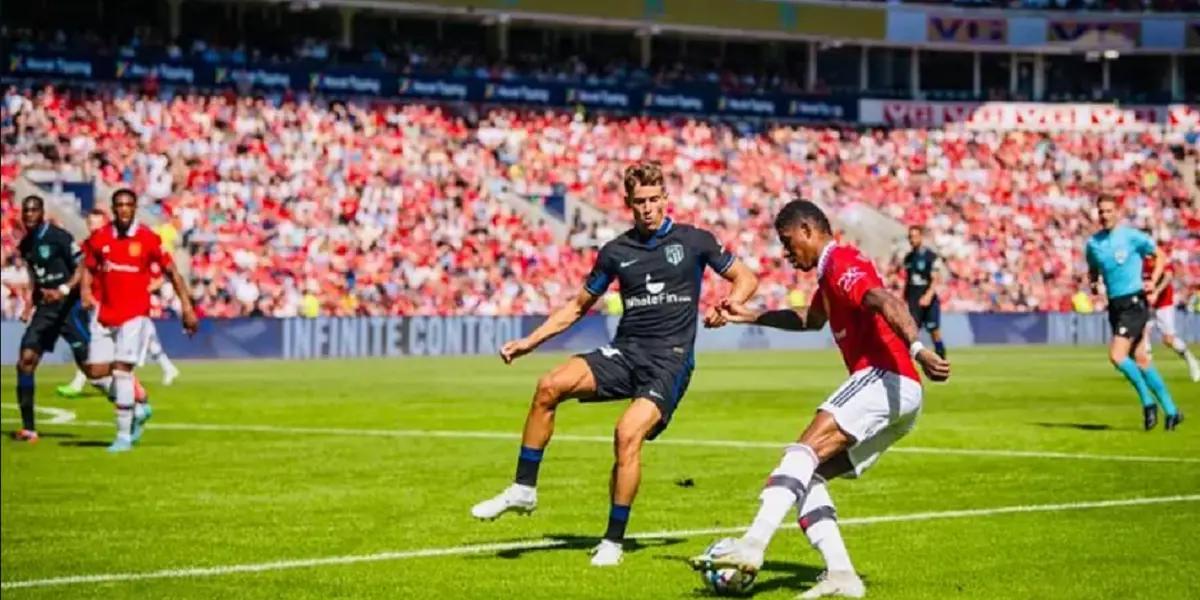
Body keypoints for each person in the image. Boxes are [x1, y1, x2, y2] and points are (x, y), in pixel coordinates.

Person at [469, 162, 758, 567]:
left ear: (665, 198)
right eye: (640, 201)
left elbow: (746, 277)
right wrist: (529, 342)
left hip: (669, 361)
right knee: (549, 385)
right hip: (625, 352)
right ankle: (523, 489)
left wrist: (730, 305)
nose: (648, 208)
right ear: (628, 203)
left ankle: (613, 542)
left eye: (654, 199)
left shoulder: (695, 240)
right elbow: (577, 307)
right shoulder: (615, 252)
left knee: (626, 434)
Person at [690, 199, 950, 598]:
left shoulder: (842, 263)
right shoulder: (829, 277)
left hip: (886, 375)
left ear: (808, 231)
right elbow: (810, 321)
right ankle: (842, 575)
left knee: (801, 452)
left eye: (788, 242)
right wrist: (749, 315)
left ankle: (752, 544)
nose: (787, 252)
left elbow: (885, 300)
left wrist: (918, 349)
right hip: (900, 397)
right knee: (807, 476)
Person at [80, 189, 198, 452]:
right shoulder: (101, 237)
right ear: (113, 208)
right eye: (119, 205)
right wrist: (86, 291)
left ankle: (123, 436)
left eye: (128, 204)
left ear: (135, 208)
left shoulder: (147, 238)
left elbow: (172, 272)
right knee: (96, 374)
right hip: (105, 313)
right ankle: (137, 406)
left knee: (122, 371)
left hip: (134, 314)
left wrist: (187, 307)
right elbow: (88, 266)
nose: (124, 209)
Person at [57, 210, 182, 396]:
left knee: (119, 351)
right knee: (100, 353)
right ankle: (133, 389)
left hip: (120, 305)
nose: (93, 227)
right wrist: (82, 291)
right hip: (98, 305)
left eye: (97, 223)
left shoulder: (122, 243)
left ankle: (133, 391)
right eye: (90, 223)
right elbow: (83, 269)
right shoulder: (87, 246)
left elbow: (160, 272)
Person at [1085, 197, 1180, 431]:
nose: (1105, 215)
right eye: (1101, 211)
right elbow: (1093, 269)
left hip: (1134, 303)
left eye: (1109, 211)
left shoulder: (1131, 236)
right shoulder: (1094, 244)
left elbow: (1160, 255)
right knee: (1142, 359)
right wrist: (1094, 284)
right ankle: (1172, 410)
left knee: (1117, 356)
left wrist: (1153, 281)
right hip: (1115, 306)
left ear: (1117, 212)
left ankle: (1148, 403)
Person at [11, 196, 91, 442]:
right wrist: (29, 304)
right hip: (46, 310)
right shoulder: (25, 244)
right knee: (25, 361)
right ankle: (29, 429)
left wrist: (66, 290)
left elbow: (81, 264)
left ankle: (133, 399)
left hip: (69, 308)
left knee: (92, 368)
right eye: (26, 211)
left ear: (42, 212)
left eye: (34, 210)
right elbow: (34, 275)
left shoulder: (59, 236)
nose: (29, 215)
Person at [1140, 234, 1200, 383]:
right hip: (1147, 301)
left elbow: (1168, 276)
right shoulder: (1139, 259)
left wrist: (1156, 292)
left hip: (1163, 302)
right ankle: (1148, 371)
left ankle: (1191, 360)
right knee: (1143, 332)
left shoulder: (1160, 255)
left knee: (1168, 340)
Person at [901, 225, 946, 358]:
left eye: (915, 236)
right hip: (913, 298)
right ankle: (910, 361)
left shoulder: (931, 256)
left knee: (934, 330)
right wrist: (904, 297)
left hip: (928, 297)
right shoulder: (908, 258)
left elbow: (935, 279)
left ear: (921, 237)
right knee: (912, 330)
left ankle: (941, 359)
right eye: (910, 237)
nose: (912, 240)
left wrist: (928, 296)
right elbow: (908, 279)